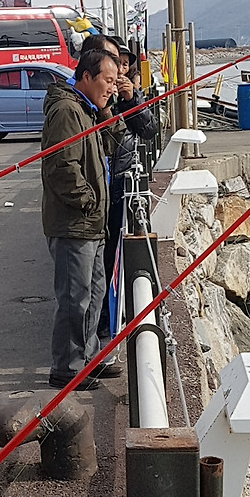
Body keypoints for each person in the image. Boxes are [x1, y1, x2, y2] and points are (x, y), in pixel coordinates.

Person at [40, 46, 121, 390]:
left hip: (92, 223)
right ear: (86, 76)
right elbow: (62, 167)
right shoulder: (67, 111)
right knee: (75, 299)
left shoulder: (87, 109)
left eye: (116, 81)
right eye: (108, 80)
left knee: (94, 293)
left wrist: (107, 110)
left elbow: (113, 144)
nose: (113, 87)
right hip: (75, 223)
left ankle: (87, 359)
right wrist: (88, 201)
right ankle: (67, 368)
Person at [97, 52, 157, 348]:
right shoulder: (97, 99)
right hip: (107, 185)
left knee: (116, 256)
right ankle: (104, 324)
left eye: (124, 64)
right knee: (105, 258)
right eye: (115, 64)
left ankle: (112, 320)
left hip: (125, 181)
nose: (120, 71)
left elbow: (149, 129)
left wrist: (131, 100)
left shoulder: (132, 94)